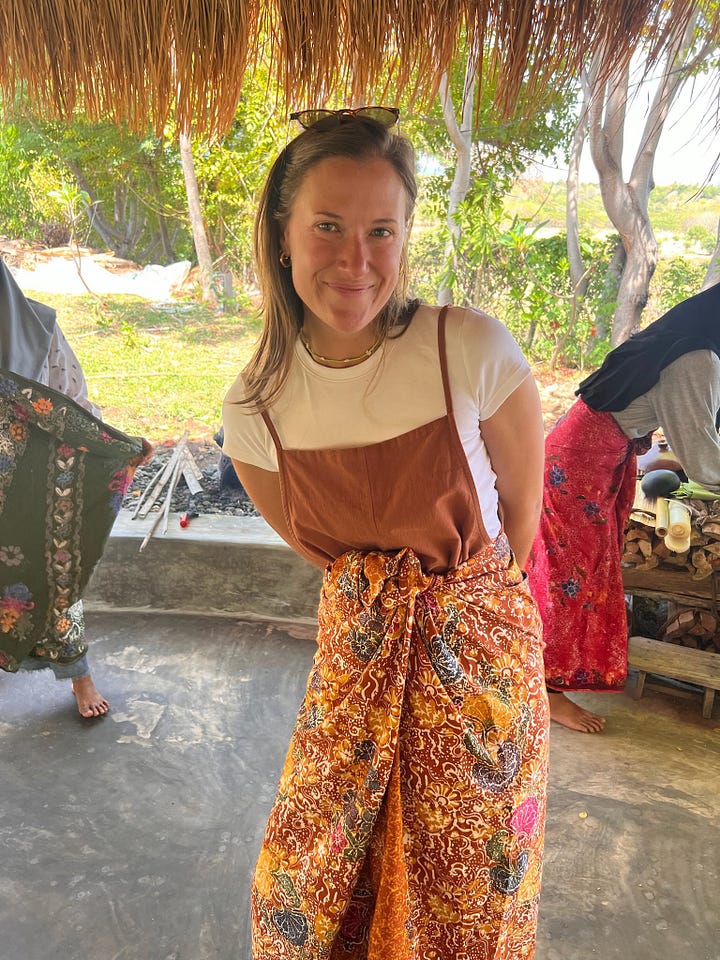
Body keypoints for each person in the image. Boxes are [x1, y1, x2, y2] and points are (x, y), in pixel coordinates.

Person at [222, 108, 548, 959]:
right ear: (282, 235)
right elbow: (318, 552)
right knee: (314, 896)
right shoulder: (255, 406)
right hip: (356, 668)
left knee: (467, 904)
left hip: (479, 678)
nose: (355, 261)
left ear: (405, 238)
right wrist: (391, 620)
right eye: (327, 226)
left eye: (381, 231)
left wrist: (462, 628)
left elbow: (522, 517)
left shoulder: (468, 347)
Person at [527, 282, 720, 733]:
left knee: (579, 572)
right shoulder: (696, 359)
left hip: (591, 455)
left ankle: (544, 675)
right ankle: (547, 692)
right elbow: (704, 461)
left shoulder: (687, 341)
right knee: (570, 578)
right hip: (579, 464)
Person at [0, 257, 145, 718]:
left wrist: (112, 448)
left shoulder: (40, 331)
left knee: (54, 578)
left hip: (31, 484)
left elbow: (73, 402)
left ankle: (80, 677)